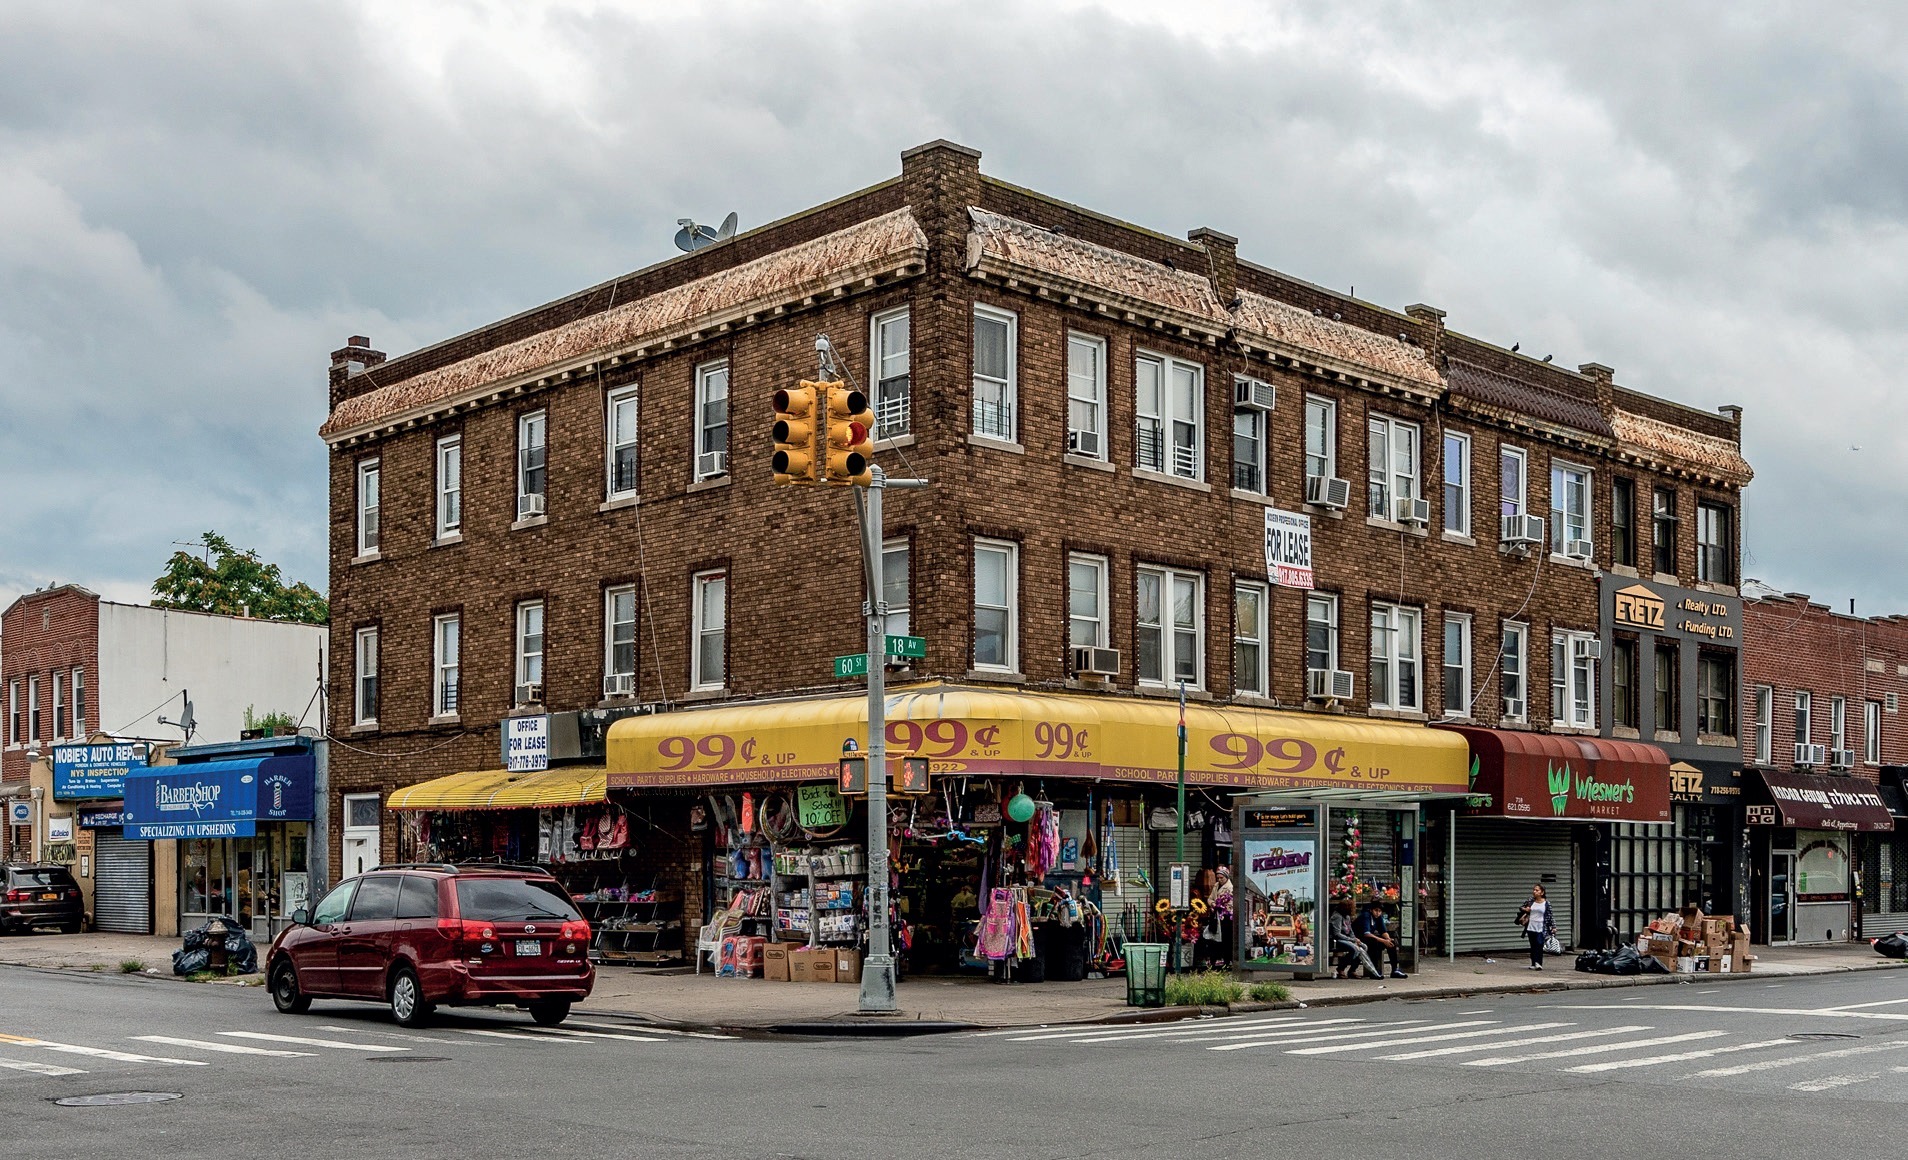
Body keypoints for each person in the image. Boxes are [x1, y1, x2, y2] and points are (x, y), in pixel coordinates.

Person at [1328, 899, 1381, 979]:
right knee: (1355, 949)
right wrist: (1352, 940)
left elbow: (1350, 931)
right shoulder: (1337, 916)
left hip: (1347, 939)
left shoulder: (1347, 917)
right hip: (1337, 940)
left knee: (1364, 947)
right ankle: (1341, 968)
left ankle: (1353, 969)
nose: (1354, 909)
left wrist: (1355, 939)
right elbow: (1337, 934)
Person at [1355, 899, 1405, 978]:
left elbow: (1383, 931)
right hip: (1360, 939)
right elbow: (1366, 934)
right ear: (1371, 910)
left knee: (1392, 943)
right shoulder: (1366, 916)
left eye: (1379, 911)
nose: (1377, 913)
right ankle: (1375, 969)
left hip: (1370, 939)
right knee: (1374, 943)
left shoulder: (1379, 918)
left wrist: (1388, 939)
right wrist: (1383, 941)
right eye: (1376, 910)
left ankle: (1395, 969)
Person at [1517, 883, 1556, 969]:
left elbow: (1550, 916)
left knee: (1539, 943)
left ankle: (1539, 963)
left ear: (1542, 892)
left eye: (1537, 890)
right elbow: (1521, 907)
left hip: (1541, 927)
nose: (1534, 892)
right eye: (1534, 890)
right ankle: (1533, 963)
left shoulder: (1546, 903)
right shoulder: (1530, 900)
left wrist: (1553, 927)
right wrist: (1525, 909)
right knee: (1533, 945)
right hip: (1531, 926)